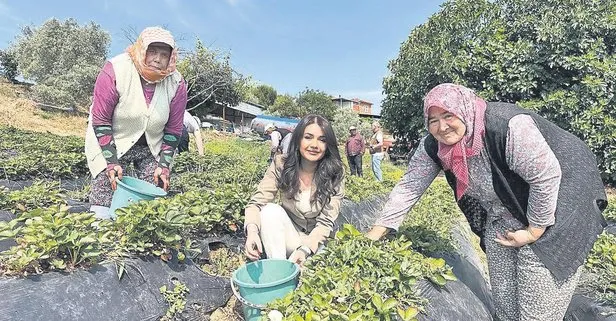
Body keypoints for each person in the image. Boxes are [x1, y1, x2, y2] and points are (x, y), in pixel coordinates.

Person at [366, 83, 608, 321]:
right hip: (503, 212)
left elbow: (545, 177)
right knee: (505, 305)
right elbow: (409, 186)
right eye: (433, 120)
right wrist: (377, 231)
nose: (442, 126)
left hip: (559, 206)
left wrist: (534, 230)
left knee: (536, 310)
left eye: (448, 115)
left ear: (463, 110)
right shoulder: (434, 147)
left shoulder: (506, 126)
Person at [84, 26, 187, 219]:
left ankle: (139, 230)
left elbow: (173, 130)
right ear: (142, 50)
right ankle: (100, 226)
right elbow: (101, 119)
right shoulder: (116, 70)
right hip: (112, 139)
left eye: (164, 54)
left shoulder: (176, 83)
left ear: (171, 57)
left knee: (154, 188)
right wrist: (111, 162)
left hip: (151, 145)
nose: (157, 58)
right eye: (152, 51)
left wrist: (164, 165)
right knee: (107, 182)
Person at [244, 114, 345, 265]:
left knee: (317, 270)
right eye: (308, 137)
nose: (314, 145)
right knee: (269, 211)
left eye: (322, 140)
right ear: (298, 140)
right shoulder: (282, 164)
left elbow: (325, 223)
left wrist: (305, 250)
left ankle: (302, 266)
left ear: (328, 145)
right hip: (289, 235)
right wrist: (252, 232)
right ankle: (278, 270)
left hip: (315, 242)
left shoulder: (335, 173)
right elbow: (256, 203)